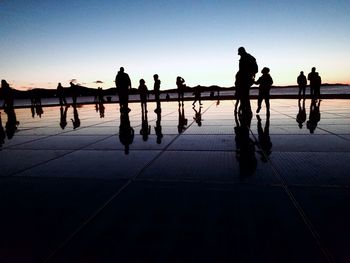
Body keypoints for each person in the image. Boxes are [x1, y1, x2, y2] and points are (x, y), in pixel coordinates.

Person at [235, 47, 258, 115]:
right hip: (244, 78)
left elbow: (255, 70)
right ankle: (245, 109)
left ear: (241, 52)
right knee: (244, 95)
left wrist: (249, 74)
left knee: (244, 95)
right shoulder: (248, 57)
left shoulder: (248, 57)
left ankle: (247, 110)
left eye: (239, 53)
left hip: (245, 79)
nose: (239, 54)